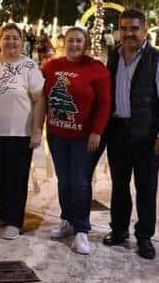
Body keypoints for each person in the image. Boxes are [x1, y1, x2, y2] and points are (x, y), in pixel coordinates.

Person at [103, 9, 159, 260]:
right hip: (118, 132)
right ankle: (119, 231)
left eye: (134, 28)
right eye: (124, 28)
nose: (128, 33)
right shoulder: (113, 56)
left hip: (147, 136)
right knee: (119, 186)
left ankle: (144, 237)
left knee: (146, 188)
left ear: (145, 31)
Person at [42, 27, 112, 255]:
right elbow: (41, 97)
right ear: (64, 42)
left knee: (80, 182)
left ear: (86, 43)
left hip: (85, 138)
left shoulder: (96, 69)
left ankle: (82, 228)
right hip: (57, 135)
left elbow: (105, 104)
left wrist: (97, 132)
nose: (74, 45)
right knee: (64, 181)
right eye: (71, 40)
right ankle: (67, 220)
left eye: (79, 41)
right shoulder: (51, 66)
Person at [0, 23, 45, 240]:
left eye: (16, 38)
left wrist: (36, 130)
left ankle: (15, 221)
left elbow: (40, 99)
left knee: (17, 177)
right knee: (0, 174)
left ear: (22, 41)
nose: (11, 42)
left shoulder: (29, 66)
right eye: (7, 37)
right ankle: (2, 216)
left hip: (20, 132)